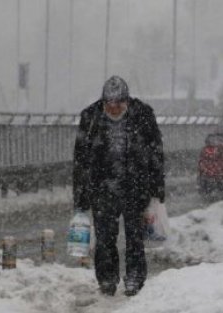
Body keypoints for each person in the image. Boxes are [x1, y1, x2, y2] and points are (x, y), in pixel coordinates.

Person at [73, 76, 165, 296]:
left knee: (135, 236)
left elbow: (156, 152)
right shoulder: (91, 117)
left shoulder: (143, 115)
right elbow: (80, 159)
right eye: (109, 105)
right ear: (103, 102)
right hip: (102, 186)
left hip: (135, 185)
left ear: (127, 101)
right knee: (105, 237)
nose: (113, 109)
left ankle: (134, 277)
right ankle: (107, 278)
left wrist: (157, 186)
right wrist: (80, 193)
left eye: (118, 105)